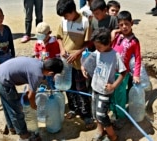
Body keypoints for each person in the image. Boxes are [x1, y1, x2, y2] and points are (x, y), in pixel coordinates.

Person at [0, 57, 63, 141]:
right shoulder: (37, 74)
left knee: (8, 104)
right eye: (53, 75)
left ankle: (12, 127)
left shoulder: (38, 63)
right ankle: (23, 135)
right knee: (15, 110)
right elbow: (31, 97)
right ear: (51, 72)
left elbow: (30, 86)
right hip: (2, 81)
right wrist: (33, 106)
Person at [56, 0, 95, 130]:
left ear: (73, 11)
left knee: (81, 88)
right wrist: (62, 50)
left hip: (79, 63)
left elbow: (88, 43)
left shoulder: (85, 22)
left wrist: (78, 53)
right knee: (68, 86)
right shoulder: (63, 21)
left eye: (66, 15)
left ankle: (86, 114)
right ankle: (73, 109)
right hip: (66, 62)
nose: (64, 18)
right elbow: (59, 37)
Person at [82, 27, 126, 141]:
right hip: (95, 87)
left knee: (102, 115)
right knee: (95, 113)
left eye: (99, 46)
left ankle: (113, 136)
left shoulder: (115, 56)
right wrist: (83, 68)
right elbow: (88, 60)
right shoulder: (98, 52)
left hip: (105, 91)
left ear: (107, 43)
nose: (96, 48)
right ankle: (100, 131)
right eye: (96, 46)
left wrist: (114, 86)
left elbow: (123, 72)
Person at [111, 10, 142, 84]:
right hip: (111, 70)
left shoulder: (134, 42)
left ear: (131, 23)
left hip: (123, 74)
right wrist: (113, 33)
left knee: (121, 93)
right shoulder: (116, 36)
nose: (124, 27)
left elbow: (138, 59)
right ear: (118, 25)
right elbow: (108, 48)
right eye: (121, 25)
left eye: (126, 24)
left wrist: (136, 74)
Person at [33, 22, 61, 89]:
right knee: (41, 84)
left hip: (51, 69)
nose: (41, 38)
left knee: (52, 83)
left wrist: (56, 72)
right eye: (39, 36)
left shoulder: (54, 43)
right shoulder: (38, 43)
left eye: (42, 36)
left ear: (49, 33)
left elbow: (58, 58)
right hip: (41, 66)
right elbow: (36, 55)